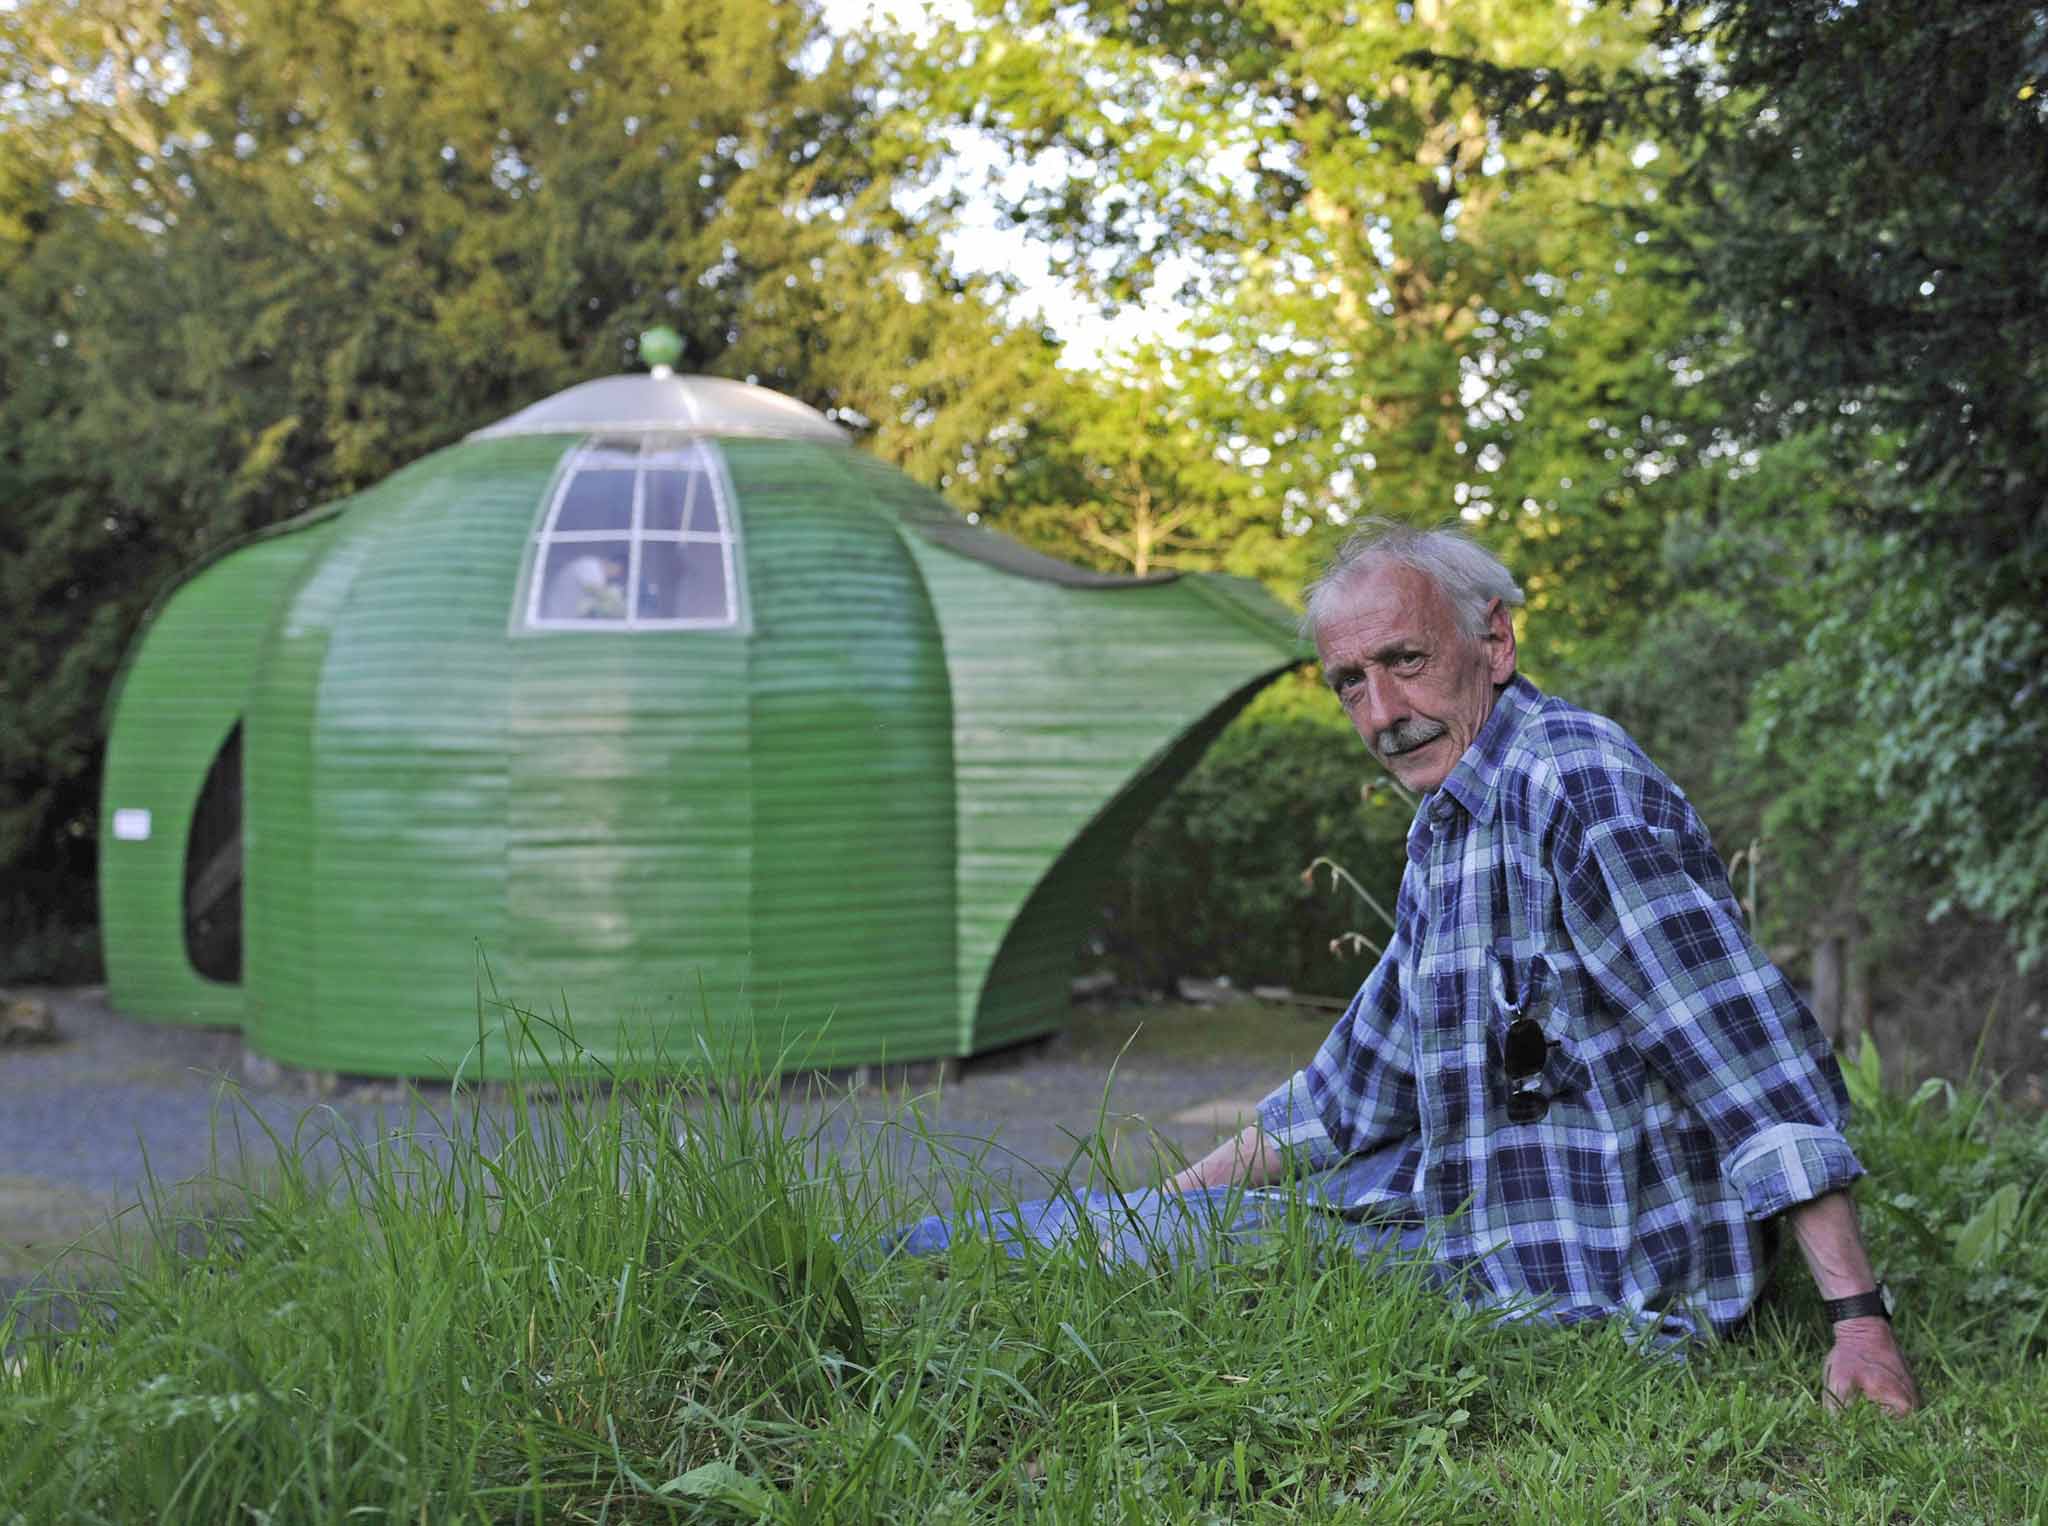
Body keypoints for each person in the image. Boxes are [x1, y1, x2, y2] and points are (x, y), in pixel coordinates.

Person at [896, 519, 1918, 1416]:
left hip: (1598, 1263)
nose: (1382, 711)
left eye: (1404, 660)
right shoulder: (1450, 823)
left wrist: (1856, 1317)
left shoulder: (1575, 783)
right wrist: (1161, 1197)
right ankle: (893, 1262)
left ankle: (888, 1273)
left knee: (1139, 1253)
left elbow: (1738, 1051)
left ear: (1495, 641)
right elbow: (1347, 1091)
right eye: (1350, 681)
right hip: (1477, 1202)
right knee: (1137, 1229)